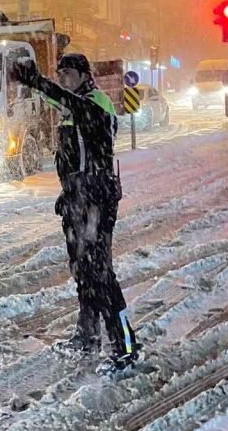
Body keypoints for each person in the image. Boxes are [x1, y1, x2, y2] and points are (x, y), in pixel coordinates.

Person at [13, 52, 138, 371]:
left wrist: (39, 82)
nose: (63, 79)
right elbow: (61, 108)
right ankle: (87, 334)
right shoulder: (71, 105)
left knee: (101, 274)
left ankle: (125, 344)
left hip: (97, 197)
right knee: (83, 271)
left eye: (69, 73)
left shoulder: (96, 103)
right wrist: (68, 194)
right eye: (60, 74)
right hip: (77, 199)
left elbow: (75, 107)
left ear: (84, 75)